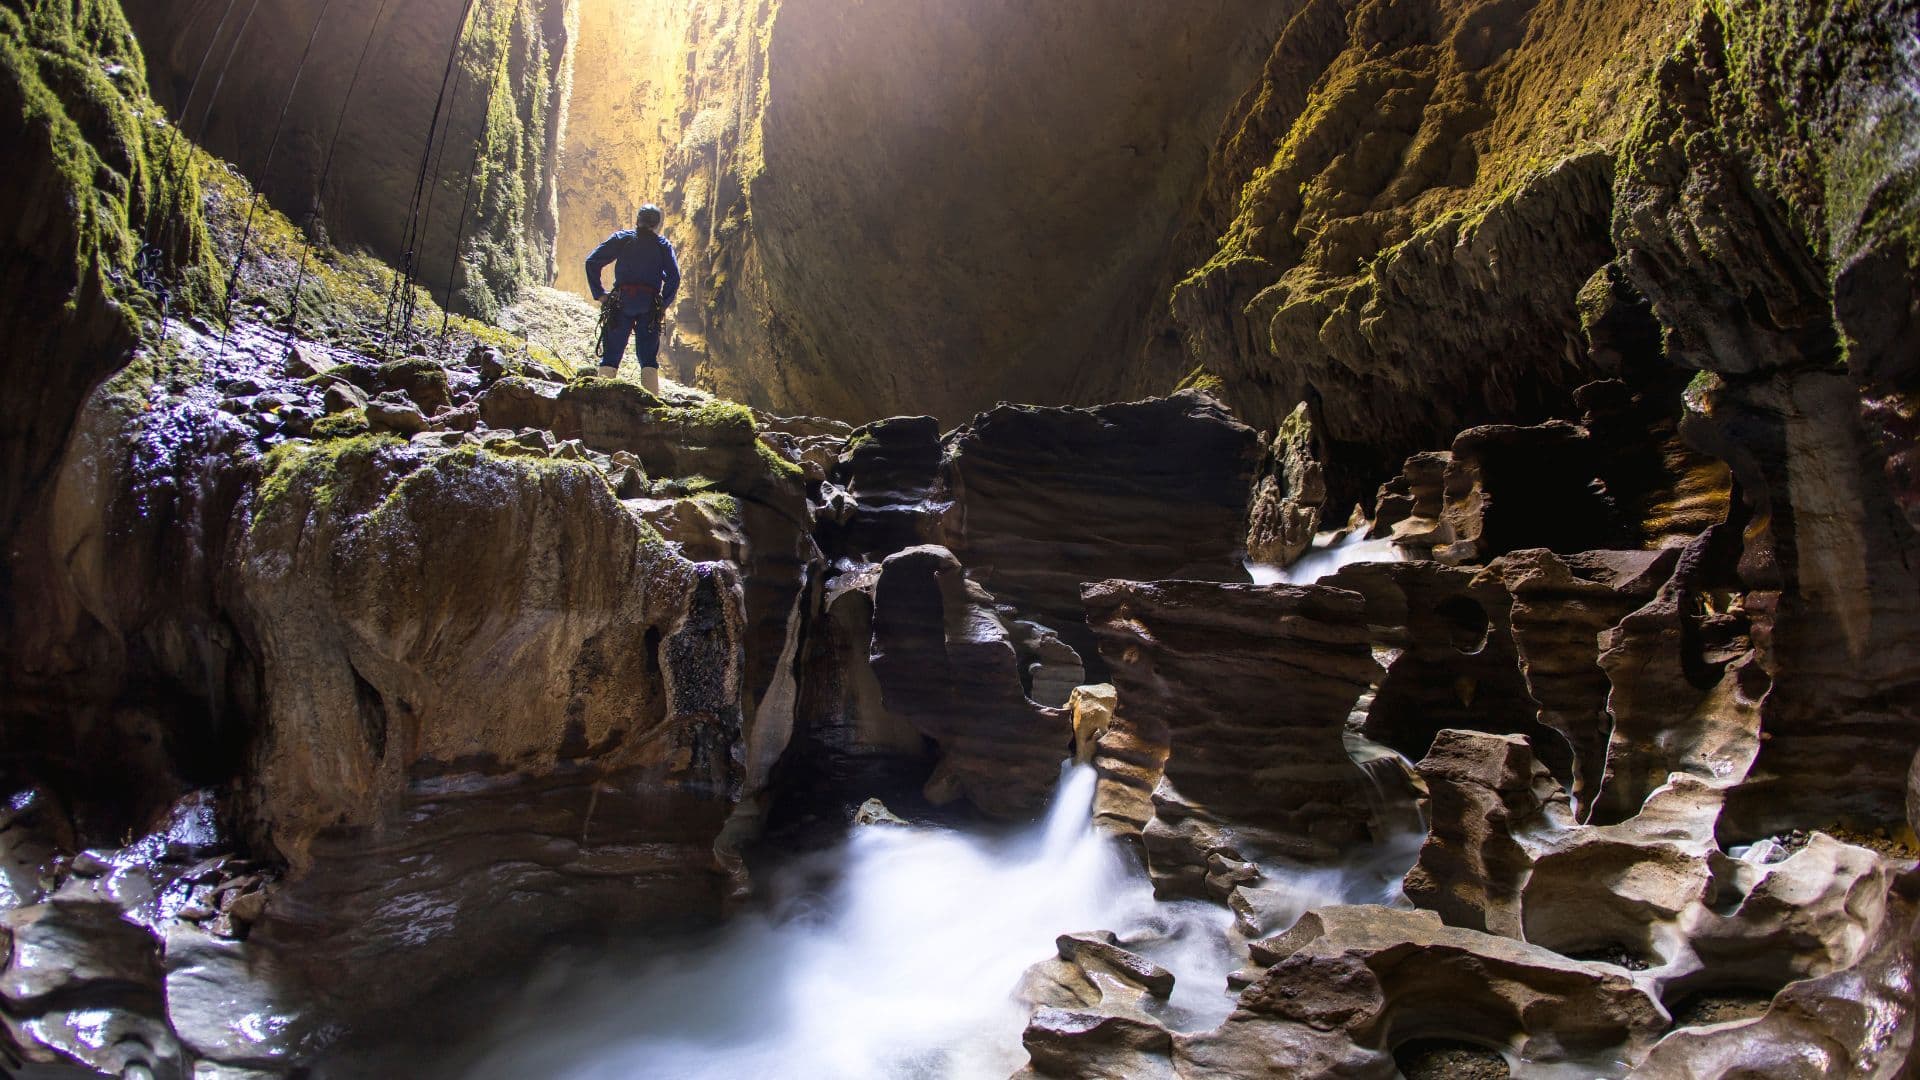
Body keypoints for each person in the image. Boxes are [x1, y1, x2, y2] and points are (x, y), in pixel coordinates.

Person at [585, 204, 680, 394]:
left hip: (621, 301)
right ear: (657, 224)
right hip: (649, 304)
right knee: (648, 357)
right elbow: (674, 277)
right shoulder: (662, 245)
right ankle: (652, 404)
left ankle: (601, 397)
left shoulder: (623, 238)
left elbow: (592, 262)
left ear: (638, 220)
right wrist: (663, 303)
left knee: (612, 353)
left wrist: (600, 294)